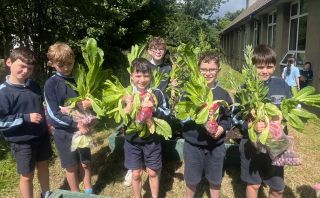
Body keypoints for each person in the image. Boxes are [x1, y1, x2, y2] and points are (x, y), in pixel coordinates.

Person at [237, 45, 292, 198]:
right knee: (253, 184)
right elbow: (237, 118)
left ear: (275, 66)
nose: (265, 71)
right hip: (253, 144)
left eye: (269, 66)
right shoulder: (245, 88)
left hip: (276, 144)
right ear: (252, 66)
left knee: (278, 188)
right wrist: (251, 125)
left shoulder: (282, 85)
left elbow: (291, 109)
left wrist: (283, 116)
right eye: (260, 67)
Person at [0, 47, 52, 198]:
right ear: (9, 62)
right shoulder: (3, 92)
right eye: (21, 66)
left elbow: (41, 109)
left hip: (41, 136)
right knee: (27, 176)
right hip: (22, 142)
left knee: (44, 166)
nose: (25, 71)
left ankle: (46, 193)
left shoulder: (34, 85)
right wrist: (25, 118)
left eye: (29, 68)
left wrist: (48, 125)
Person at [44, 42, 93, 194]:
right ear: (52, 63)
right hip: (63, 132)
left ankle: (88, 189)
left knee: (85, 162)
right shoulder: (51, 84)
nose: (67, 68)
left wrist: (89, 103)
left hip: (83, 129)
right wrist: (75, 123)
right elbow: (53, 114)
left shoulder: (79, 78)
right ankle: (75, 192)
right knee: (70, 165)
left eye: (70, 64)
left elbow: (90, 98)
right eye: (62, 65)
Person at [182, 52, 232, 198]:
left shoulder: (223, 94)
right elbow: (181, 117)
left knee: (215, 180)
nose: (208, 73)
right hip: (193, 144)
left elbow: (228, 118)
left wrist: (221, 128)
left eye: (212, 69)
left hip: (216, 145)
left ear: (218, 71)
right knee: (191, 179)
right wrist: (197, 114)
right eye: (204, 69)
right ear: (198, 70)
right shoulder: (189, 92)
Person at [124, 36, 172, 187]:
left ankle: (154, 168)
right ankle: (134, 168)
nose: (142, 78)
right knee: (136, 165)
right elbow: (124, 114)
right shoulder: (144, 66)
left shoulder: (168, 67)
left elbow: (165, 108)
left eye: (161, 49)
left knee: (153, 154)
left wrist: (153, 106)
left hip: (156, 102)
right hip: (133, 137)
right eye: (138, 75)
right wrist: (130, 104)